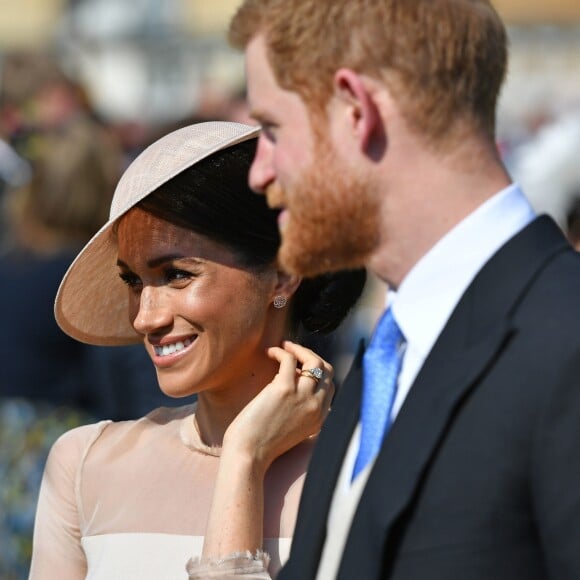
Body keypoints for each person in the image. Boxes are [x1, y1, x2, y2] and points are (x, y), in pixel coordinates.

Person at [229, 1, 580, 578]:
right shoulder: (397, 348)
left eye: (271, 129)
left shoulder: (564, 341)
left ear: (355, 109)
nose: (259, 172)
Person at [29, 121, 366, 579]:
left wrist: (244, 457)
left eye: (177, 275)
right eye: (133, 281)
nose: (146, 317)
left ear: (283, 275)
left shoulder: (365, 474)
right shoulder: (86, 465)